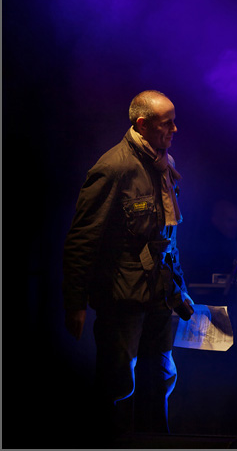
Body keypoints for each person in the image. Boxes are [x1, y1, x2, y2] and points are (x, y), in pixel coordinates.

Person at [62, 90, 194, 442]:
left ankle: (158, 443)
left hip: (159, 296)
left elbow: (168, 237)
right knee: (118, 383)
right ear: (142, 125)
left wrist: (179, 287)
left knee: (161, 377)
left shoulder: (162, 164)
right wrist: (75, 302)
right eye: (167, 123)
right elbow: (82, 238)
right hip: (122, 297)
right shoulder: (114, 167)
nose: (175, 129)